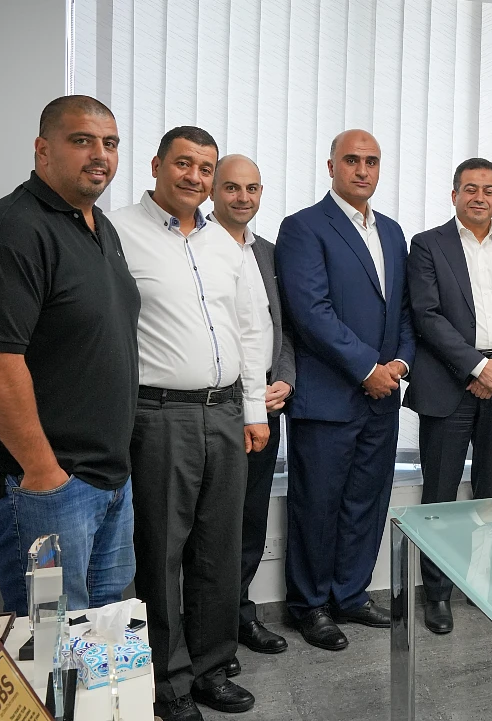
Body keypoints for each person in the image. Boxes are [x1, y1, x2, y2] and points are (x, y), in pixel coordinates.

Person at [0, 95, 138, 618]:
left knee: (99, 633)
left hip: (105, 479)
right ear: (43, 149)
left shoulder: (99, 227)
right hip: (44, 485)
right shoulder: (12, 232)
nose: (99, 154)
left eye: (110, 143)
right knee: (51, 649)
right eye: (81, 140)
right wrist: (43, 473)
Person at [109, 126, 268, 720]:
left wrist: (253, 411)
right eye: (184, 164)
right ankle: (168, 684)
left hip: (224, 414)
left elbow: (252, 330)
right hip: (159, 417)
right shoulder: (117, 232)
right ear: (156, 165)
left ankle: (212, 667)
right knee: (162, 553)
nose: (195, 178)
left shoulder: (226, 243)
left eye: (205, 168)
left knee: (217, 552)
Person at [275, 130, 415, 653]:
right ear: (330, 165)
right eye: (351, 160)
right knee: (318, 504)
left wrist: (399, 363)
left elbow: (402, 309)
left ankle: (351, 594)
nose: (362, 170)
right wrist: (366, 368)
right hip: (329, 398)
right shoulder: (304, 227)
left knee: (366, 501)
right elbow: (311, 313)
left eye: (371, 161)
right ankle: (309, 605)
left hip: (382, 397)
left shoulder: (394, 232)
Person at [404, 158, 492, 634]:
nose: (479, 197)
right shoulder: (427, 245)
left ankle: (487, 588)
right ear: (454, 195)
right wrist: (477, 366)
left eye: (489, 190)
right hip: (449, 383)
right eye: (470, 189)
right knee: (440, 496)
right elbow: (427, 315)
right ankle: (436, 594)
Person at [207, 155, 294, 666]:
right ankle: (212, 630)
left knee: (251, 518)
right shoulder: (198, 247)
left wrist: (283, 380)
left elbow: (280, 330)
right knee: (213, 525)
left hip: (270, 406)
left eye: (253, 188)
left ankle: (240, 615)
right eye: (233, 188)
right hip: (220, 410)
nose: (243, 197)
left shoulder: (268, 252)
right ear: (215, 191)